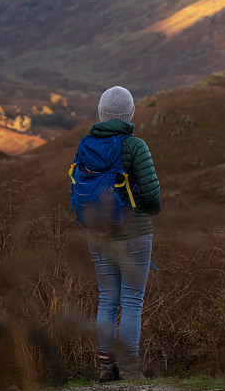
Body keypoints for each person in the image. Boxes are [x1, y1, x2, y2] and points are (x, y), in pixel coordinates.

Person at [73, 86, 162, 382]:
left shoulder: (85, 146)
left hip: (97, 234)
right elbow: (151, 196)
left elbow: (77, 190)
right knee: (132, 301)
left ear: (102, 114)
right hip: (134, 233)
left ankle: (105, 367)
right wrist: (149, 209)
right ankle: (130, 366)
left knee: (107, 299)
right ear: (129, 114)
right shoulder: (136, 147)